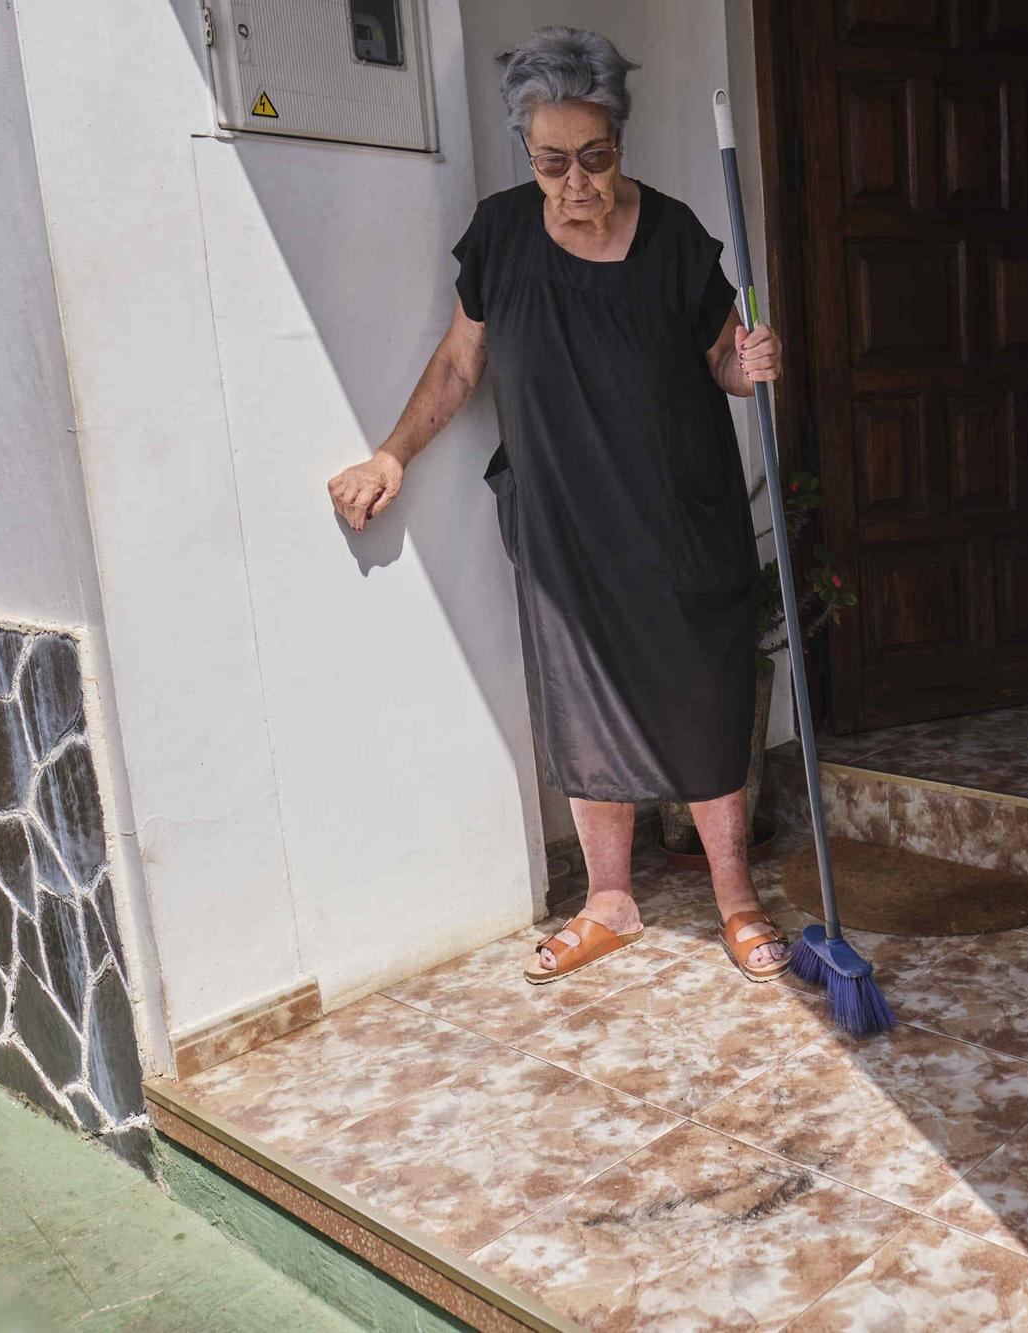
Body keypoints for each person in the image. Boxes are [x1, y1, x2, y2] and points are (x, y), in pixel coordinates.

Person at [324, 26, 792, 985]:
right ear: (526, 153)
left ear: (620, 140)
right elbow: (461, 364)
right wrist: (391, 453)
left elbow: (721, 358)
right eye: (551, 162)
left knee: (705, 696)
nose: (576, 182)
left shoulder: (673, 237)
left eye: (595, 156)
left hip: (680, 516)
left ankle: (737, 898)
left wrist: (749, 362)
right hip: (563, 521)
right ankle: (609, 901)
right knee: (581, 705)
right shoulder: (501, 235)